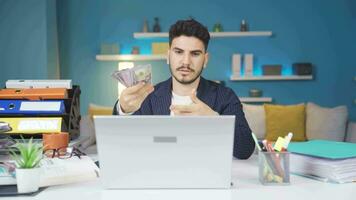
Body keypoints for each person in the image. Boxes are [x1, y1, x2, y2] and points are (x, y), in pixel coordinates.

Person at [113, 19, 255, 159]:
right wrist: (123, 110)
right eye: (179, 52)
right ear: (168, 56)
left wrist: (214, 120)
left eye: (195, 54)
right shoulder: (148, 96)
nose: (186, 61)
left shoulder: (225, 96)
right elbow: (121, 144)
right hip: (158, 176)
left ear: (205, 60)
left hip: (205, 177)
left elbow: (245, 150)